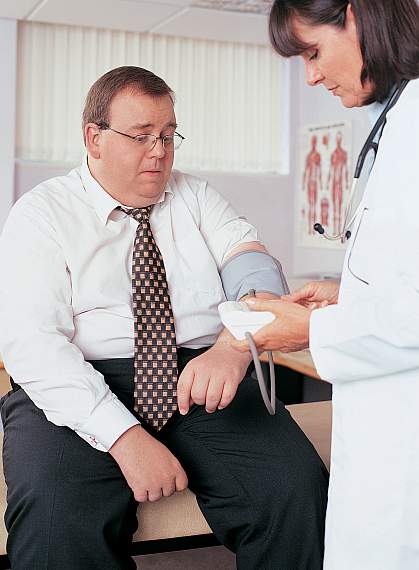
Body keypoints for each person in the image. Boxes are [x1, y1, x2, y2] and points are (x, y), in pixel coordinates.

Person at [0, 66, 328, 569]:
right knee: (55, 520)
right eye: (141, 136)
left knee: (295, 491)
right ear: (94, 138)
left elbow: (253, 265)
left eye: (169, 135)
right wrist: (124, 437)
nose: (159, 150)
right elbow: (34, 345)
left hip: (201, 371)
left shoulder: (195, 196)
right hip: (80, 378)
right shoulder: (40, 214)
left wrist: (233, 345)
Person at [232, 1, 419, 568]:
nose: (310, 75)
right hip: (383, 432)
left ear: (357, 16)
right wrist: (348, 296)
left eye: (312, 51)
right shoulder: (398, 118)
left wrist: (312, 329)